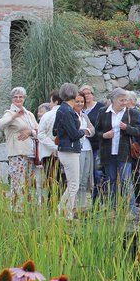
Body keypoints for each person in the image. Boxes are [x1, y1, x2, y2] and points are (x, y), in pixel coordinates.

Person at [95, 88, 140, 214]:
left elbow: (139, 131)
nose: (124, 103)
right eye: (121, 100)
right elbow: (96, 131)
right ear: (113, 101)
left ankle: (131, 210)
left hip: (125, 152)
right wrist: (104, 135)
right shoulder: (103, 111)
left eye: (126, 100)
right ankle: (113, 208)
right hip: (108, 152)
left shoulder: (132, 113)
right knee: (111, 181)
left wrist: (126, 127)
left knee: (126, 181)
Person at [0, 87, 38, 205]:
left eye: (21, 97)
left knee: (29, 182)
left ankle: (27, 207)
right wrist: (13, 117)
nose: (18, 99)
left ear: (24, 98)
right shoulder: (9, 113)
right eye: (15, 97)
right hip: (17, 153)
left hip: (30, 152)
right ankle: (16, 208)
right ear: (12, 99)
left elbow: (38, 130)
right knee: (18, 183)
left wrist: (30, 132)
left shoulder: (29, 114)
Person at [53, 83, 89, 220]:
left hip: (64, 149)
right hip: (70, 149)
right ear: (74, 94)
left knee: (72, 183)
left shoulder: (61, 109)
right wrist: (83, 131)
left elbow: (54, 131)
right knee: (74, 184)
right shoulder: (67, 111)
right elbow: (74, 134)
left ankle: (65, 212)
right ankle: (62, 212)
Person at [80, 85, 106, 202]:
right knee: (84, 176)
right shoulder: (79, 109)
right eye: (84, 94)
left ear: (93, 94)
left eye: (89, 93)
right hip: (83, 147)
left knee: (97, 173)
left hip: (97, 145)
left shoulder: (100, 107)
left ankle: (99, 201)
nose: (87, 95)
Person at [74, 92, 95, 214]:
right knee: (77, 177)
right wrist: (84, 131)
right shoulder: (71, 115)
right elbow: (74, 131)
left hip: (87, 148)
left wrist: (85, 131)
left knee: (84, 178)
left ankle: (82, 205)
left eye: (82, 102)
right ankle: (73, 205)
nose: (80, 104)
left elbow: (92, 130)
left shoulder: (84, 116)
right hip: (77, 149)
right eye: (77, 101)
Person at [37, 90, 62, 190]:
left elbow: (41, 135)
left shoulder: (48, 115)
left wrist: (54, 147)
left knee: (52, 183)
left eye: (51, 101)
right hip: (64, 151)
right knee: (60, 182)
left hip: (49, 153)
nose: (50, 104)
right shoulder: (70, 113)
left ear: (55, 102)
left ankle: (52, 205)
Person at [127, 91, 140, 208]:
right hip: (129, 146)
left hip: (134, 146)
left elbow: (139, 131)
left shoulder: (135, 113)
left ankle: (138, 199)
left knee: (135, 173)